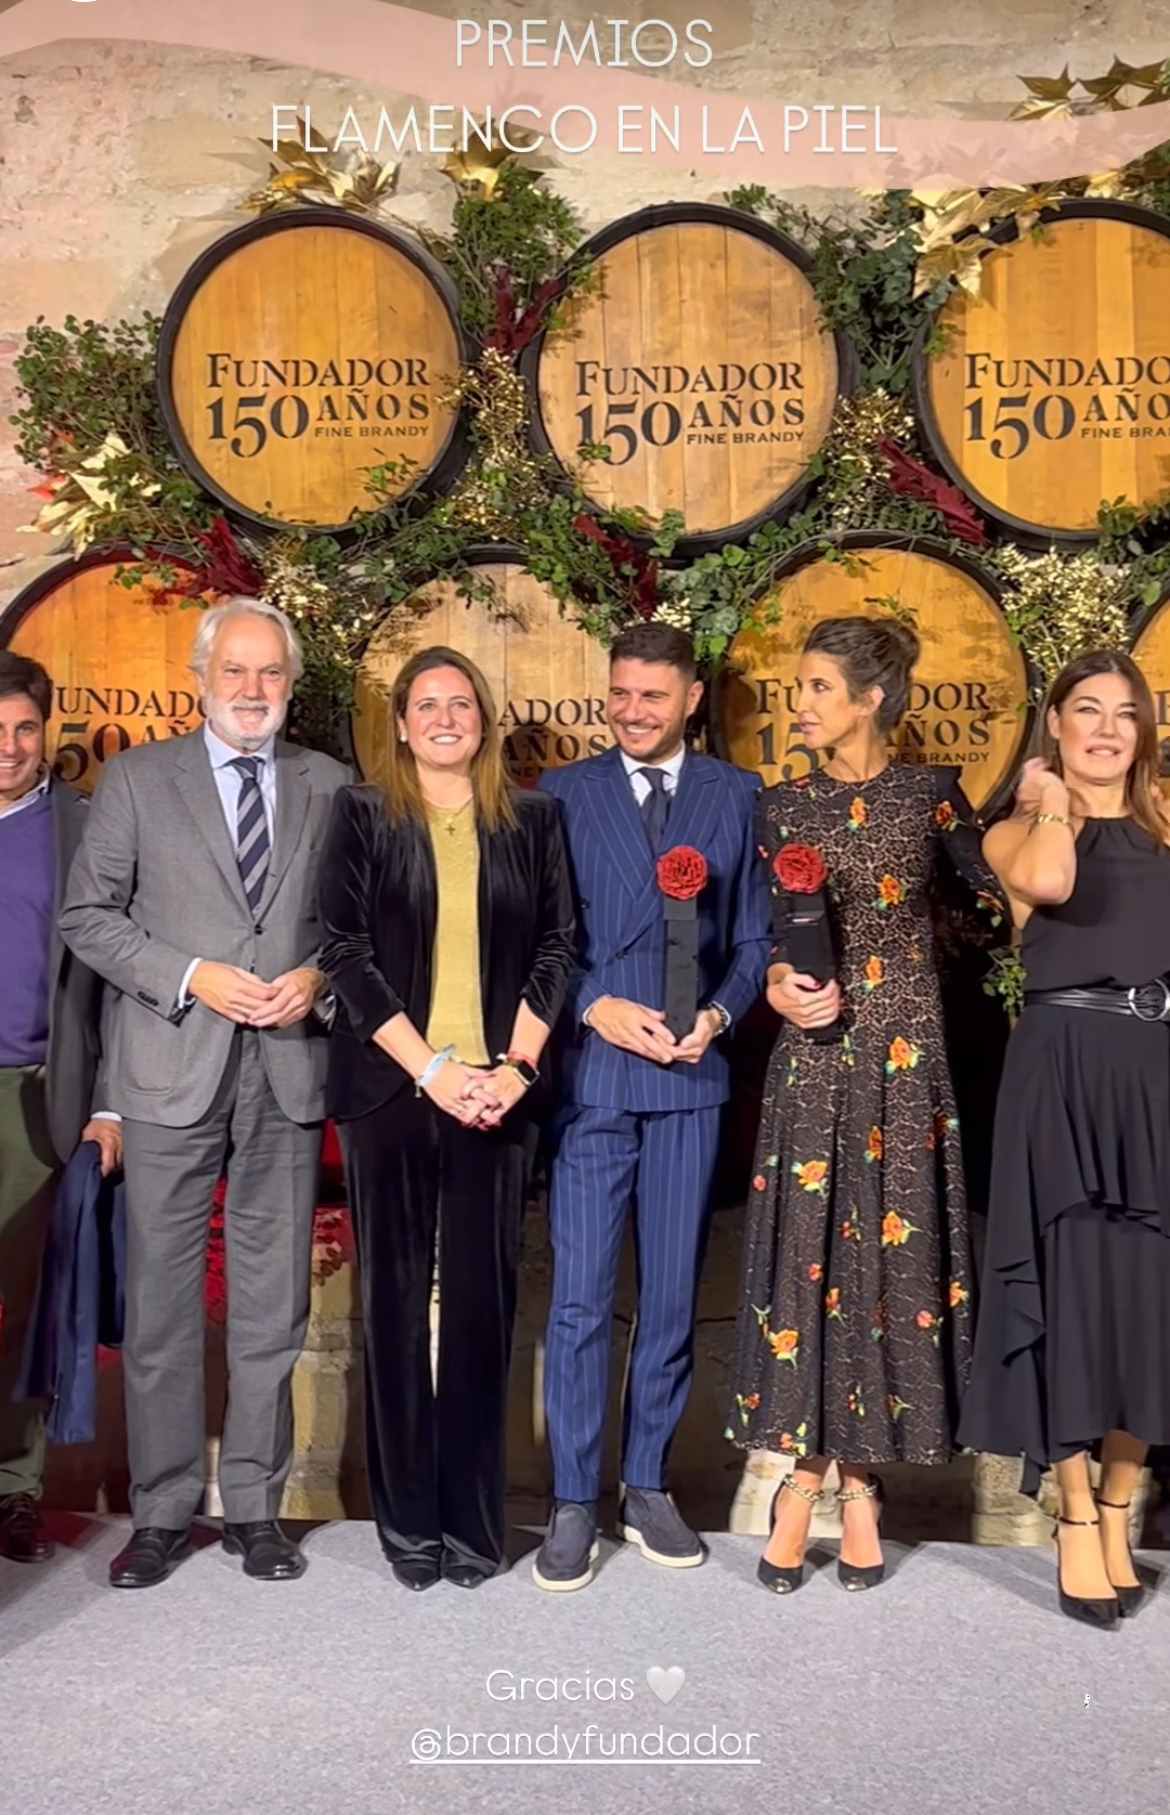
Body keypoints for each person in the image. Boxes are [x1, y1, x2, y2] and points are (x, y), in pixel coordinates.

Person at [59, 598, 348, 1589]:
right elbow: (86, 917)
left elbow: (355, 932)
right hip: (167, 1068)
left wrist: (317, 979)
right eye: (237, 672)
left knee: (272, 1311)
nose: (254, 690)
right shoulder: (139, 780)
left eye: (271, 674)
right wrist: (190, 975)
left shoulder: (331, 784)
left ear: (289, 683)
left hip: (288, 1071)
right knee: (162, 1311)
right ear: (201, 678)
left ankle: (257, 1512)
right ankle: (163, 1513)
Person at [727, 615, 1005, 1595]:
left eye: (814, 688)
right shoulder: (780, 808)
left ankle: (853, 1490)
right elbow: (760, 940)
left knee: (880, 1274)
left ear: (870, 699)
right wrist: (773, 986)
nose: (797, 705)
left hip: (903, 1064)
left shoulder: (929, 798)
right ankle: (807, 1484)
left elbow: (997, 906)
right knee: (811, 1266)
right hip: (813, 1064)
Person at [318, 646, 574, 1589]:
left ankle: (472, 1528)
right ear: (400, 722)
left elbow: (559, 946)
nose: (443, 717)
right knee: (390, 1308)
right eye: (425, 704)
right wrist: (427, 1066)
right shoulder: (360, 813)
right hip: (394, 1091)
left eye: (459, 702)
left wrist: (516, 1066)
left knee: (481, 1312)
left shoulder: (534, 819)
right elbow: (342, 951)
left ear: (484, 718)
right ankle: (407, 1528)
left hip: (496, 1093)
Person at [532, 622, 770, 1592]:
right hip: (592, 1079)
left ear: (692, 700)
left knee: (671, 1297)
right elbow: (541, 939)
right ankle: (572, 1501)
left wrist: (716, 1014)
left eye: (652, 698)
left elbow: (753, 939)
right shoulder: (561, 796)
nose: (631, 712)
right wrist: (592, 1002)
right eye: (619, 695)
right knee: (582, 1299)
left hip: (690, 1081)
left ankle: (647, 1488)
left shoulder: (736, 797)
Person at [959, 649, 1170, 1627]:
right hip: (1064, 1071)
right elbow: (1048, 877)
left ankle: (1124, 1502)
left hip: (1154, 1074)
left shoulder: (1168, 824)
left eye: (1125, 714)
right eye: (1086, 711)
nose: (1107, 729)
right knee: (1077, 1299)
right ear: (1055, 723)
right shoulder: (1019, 831)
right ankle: (1074, 1517)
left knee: (1150, 1305)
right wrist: (1049, 791)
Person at [0, 652, 120, 1564]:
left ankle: (13, 1486)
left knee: (21, 1305)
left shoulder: (83, 827)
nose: (7, 748)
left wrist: (109, 1103)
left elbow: (118, 981)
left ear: (50, 730)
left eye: (25, 729)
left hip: (36, 1095)